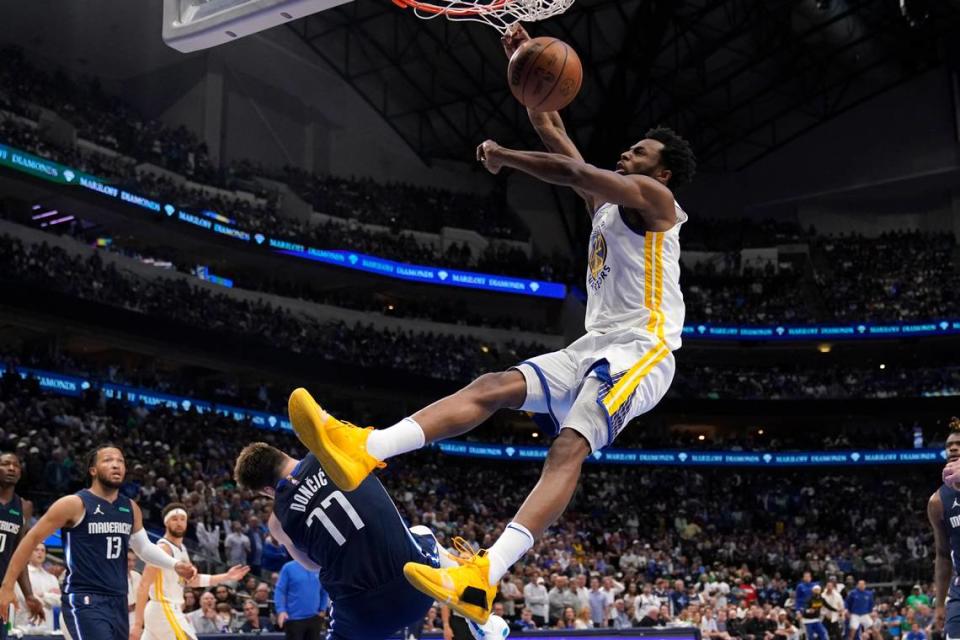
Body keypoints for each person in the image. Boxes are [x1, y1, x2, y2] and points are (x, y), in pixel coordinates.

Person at [281, 21, 696, 626]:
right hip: (595, 342)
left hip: (645, 347)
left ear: (659, 175)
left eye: (640, 153)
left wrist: (505, 158)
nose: (627, 154)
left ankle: (486, 571)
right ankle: (365, 447)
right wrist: (525, 65)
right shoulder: (610, 207)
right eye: (629, 150)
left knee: (568, 446)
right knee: (492, 386)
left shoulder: (658, 204)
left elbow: (575, 174)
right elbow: (554, 128)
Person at [233, 441, 508, 640]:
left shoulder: (277, 522)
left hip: (361, 617)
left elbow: (312, 566)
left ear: (267, 490)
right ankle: (477, 609)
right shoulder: (331, 451)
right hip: (419, 588)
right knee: (422, 531)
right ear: (281, 453)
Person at [0, 445, 196, 640]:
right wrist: (7, 586)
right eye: (108, 460)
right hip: (84, 600)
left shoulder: (130, 507)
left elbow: (143, 547)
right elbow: (30, 539)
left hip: (119, 600)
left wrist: (174, 564)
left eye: (120, 461)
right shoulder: (74, 504)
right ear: (92, 470)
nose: (116, 465)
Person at [132, 502, 250, 640]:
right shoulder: (163, 549)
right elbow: (143, 585)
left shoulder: (182, 549)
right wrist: (137, 624)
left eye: (182, 519)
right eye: (174, 519)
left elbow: (192, 580)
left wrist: (227, 576)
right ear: (166, 523)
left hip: (168, 610)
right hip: (163, 608)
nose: (179, 523)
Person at [0, 452, 45, 637]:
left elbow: (20, 556)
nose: (11, 468)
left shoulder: (24, 507)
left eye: (16, 465)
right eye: (5, 464)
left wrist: (29, 595)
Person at [931, 418, 960, 639]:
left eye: (959, 443)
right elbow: (942, 555)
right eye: (949, 445)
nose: (952, 447)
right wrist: (940, 603)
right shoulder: (937, 501)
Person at [275, 559, 325, 640]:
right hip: (294, 619)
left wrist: (322, 608)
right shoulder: (288, 567)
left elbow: (324, 590)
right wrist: (281, 610)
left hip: (314, 618)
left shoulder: (318, 567)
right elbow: (280, 590)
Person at [15, 543, 58, 632]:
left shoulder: (51, 578)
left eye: (43, 550)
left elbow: (59, 600)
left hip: (47, 627)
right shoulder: (21, 576)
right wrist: (49, 596)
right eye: (36, 550)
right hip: (25, 626)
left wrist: (43, 594)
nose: (40, 553)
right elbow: (24, 598)